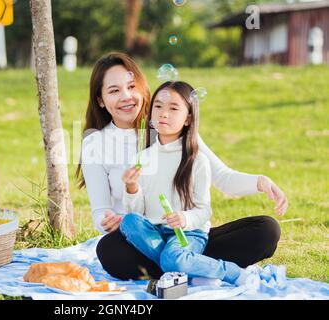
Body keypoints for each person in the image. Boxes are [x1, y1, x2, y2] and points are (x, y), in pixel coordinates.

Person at [76, 52, 287, 280]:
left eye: (131, 86)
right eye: (114, 90)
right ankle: (191, 266)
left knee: (266, 230)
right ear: (100, 99)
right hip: (141, 239)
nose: (127, 96)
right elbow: (100, 212)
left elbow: (223, 178)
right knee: (109, 250)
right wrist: (107, 221)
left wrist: (259, 181)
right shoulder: (95, 143)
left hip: (186, 234)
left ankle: (182, 263)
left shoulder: (170, 127)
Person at [120, 80, 260, 285]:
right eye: (158, 106)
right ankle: (191, 271)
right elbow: (137, 212)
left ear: (188, 119)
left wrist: (184, 218)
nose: (163, 113)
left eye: (173, 108)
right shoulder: (142, 158)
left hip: (188, 232)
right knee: (129, 222)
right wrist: (131, 188)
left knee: (172, 257)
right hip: (155, 232)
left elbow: (204, 211)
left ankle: (231, 272)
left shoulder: (197, 160)